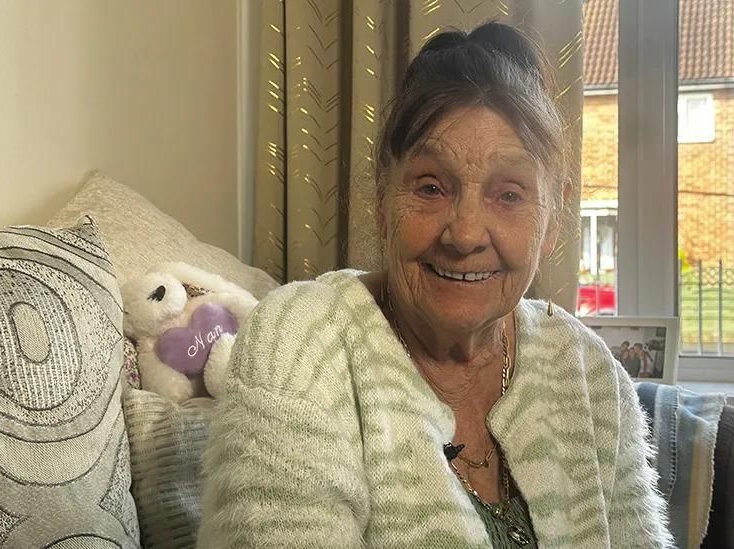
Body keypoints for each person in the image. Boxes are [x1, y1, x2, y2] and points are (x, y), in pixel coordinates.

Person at [198, 22, 672, 548]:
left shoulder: (589, 373)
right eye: (430, 187)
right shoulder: (300, 343)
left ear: (554, 218)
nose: (466, 234)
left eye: (509, 195)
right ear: (382, 200)